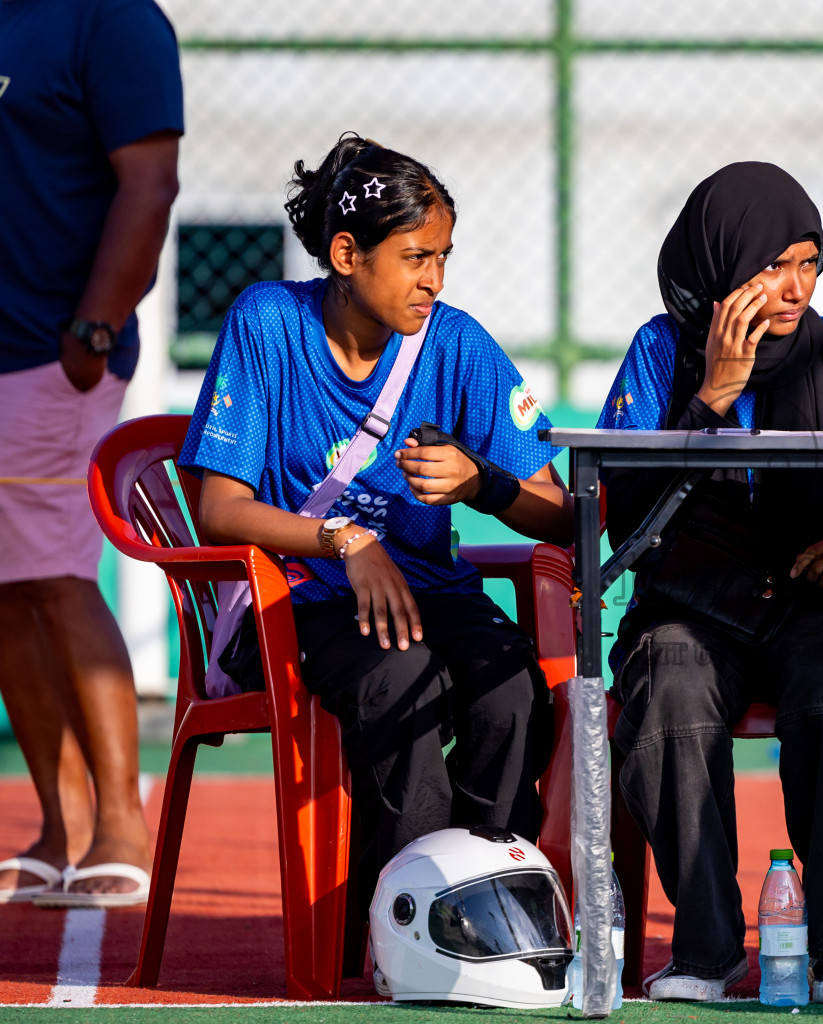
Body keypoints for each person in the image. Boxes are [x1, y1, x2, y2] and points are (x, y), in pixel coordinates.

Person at [178, 135, 573, 938]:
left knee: (511, 694)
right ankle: (409, 932)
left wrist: (481, 483)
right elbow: (218, 509)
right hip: (297, 598)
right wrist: (347, 541)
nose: (434, 279)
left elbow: (559, 510)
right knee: (405, 683)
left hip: (429, 590)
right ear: (347, 253)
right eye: (416, 256)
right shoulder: (268, 322)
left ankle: (479, 905)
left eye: (444, 257)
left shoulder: (456, 342)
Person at [598, 162, 823, 1004]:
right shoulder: (661, 354)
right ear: (719, 264)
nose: (792, 287)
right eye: (770, 265)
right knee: (670, 686)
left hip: (816, 612)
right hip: (688, 606)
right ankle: (705, 948)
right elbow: (621, 518)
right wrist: (710, 399)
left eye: (808, 264)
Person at [0, 0, 182, 906]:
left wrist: (94, 328)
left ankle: (121, 823)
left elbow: (149, 184)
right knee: (5, 589)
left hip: (51, 349)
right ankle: (58, 823)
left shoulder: (112, 20)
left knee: (58, 575)